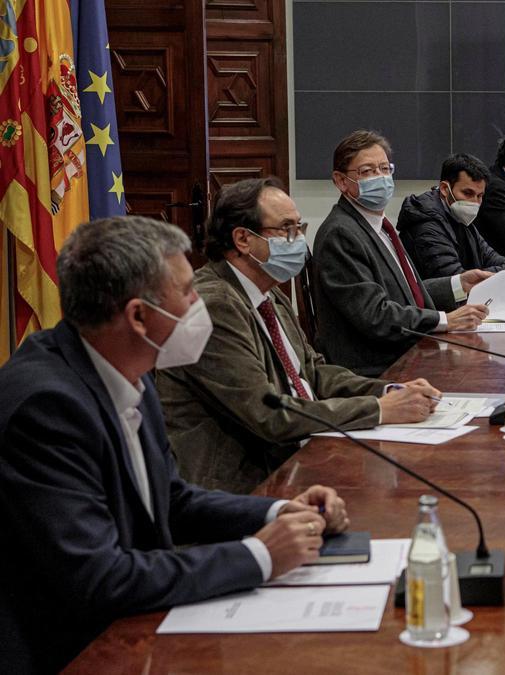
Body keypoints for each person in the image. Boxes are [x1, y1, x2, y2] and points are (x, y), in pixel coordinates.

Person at [0, 215, 351, 672]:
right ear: (139, 317)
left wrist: (278, 513)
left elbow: (170, 498)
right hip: (70, 652)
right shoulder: (47, 407)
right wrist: (260, 555)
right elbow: (99, 578)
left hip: (132, 628)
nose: (199, 301)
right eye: (187, 293)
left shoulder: (126, 366)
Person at [157, 178, 442, 493]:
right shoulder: (214, 306)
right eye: (285, 229)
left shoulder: (267, 291)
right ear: (242, 239)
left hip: (296, 454)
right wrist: (380, 410)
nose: (297, 241)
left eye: (298, 228)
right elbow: (268, 414)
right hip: (244, 483)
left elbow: (313, 373)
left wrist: (388, 390)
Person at [313, 130, 492, 377]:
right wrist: (444, 320)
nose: (380, 178)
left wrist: (459, 284)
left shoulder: (379, 226)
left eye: (385, 169)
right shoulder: (341, 234)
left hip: (408, 352)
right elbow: (375, 315)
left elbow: (404, 294)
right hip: (377, 368)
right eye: (367, 171)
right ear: (341, 181)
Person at [399, 153, 505, 279]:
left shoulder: (459, 216)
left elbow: (490, 257)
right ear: (444, 189)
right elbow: (456, 280)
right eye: (467, 193)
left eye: (480, 196)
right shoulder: (426, 223)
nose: (474, 202)